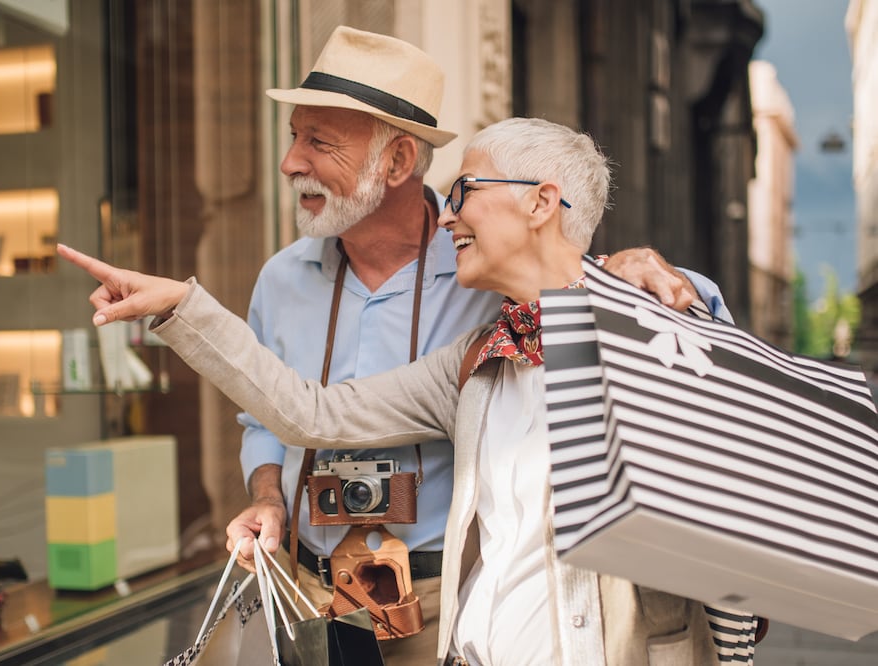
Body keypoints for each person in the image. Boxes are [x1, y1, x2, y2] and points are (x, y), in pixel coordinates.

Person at [57, 116, 757, 665]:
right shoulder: (479, 361)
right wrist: (181, 306)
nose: (448, 216)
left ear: (542, 203)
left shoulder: (649, 330)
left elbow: (740, 496)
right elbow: (311, 412)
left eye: (465, 194)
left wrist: (684, 294)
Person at [205, 25, 730, 664]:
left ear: (397, 162)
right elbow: (293, 413)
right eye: (294, 137)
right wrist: (266, 497)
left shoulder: (532, 301)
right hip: (325, 594)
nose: (290, 162)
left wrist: (643, 278)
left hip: (442, 602)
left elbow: (645, 307)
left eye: (319, 142)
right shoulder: (476, 354)